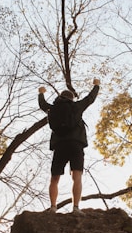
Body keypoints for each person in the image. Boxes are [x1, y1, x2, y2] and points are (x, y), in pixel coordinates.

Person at [38, 78, 100, 213]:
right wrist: (96, 85)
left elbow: (42, 104)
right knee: (76, 176)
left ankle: (53, 207)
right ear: (72, 98)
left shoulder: (52, 108)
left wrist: (41, 93)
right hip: (75, 144)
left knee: (55, 177)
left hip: (59, 145)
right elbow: (90, 98)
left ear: (60, 97)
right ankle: (76, 207)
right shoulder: (76, 106)